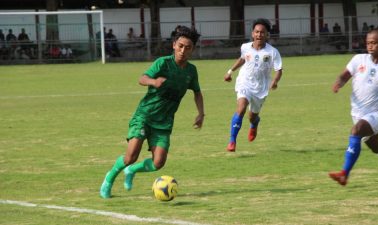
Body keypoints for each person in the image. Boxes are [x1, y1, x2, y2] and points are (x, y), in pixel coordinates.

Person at [99, 25, 204, 198]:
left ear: (192, 49)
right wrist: (153, 82)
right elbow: (142, 78)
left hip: (164, 122)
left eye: (188, 47)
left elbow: (197, 92)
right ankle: (109, 178)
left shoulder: (191, 71)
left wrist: (201, 113)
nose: (183, 50)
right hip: (145, 116)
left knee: (158, 163)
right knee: (130, 156)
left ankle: (132, 170)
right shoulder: (163, 63)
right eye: (180, 46)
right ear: (174, 45)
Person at [329, 28, 378, 186]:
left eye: (374, 43)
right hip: (358, 113)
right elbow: (345, 75)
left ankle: (344, 174)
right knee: (376, 147)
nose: (370, 46)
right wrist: (338, 83)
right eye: (368, 43)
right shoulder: (358, 60)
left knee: (356, 131)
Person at [223, 18, 283, 152]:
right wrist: (230, 72)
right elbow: (242, 59)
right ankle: (232, 141)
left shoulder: (273, 52)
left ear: (267, 35)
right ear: (252, 34)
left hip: (261, 88)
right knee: (241, 108)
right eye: (257, 32)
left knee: (252, 116)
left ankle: (254, 123)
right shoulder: (245, 47)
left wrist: (275, 81)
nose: (259, 35)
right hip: (245, 82)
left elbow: (278, 70)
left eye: (262, 32)